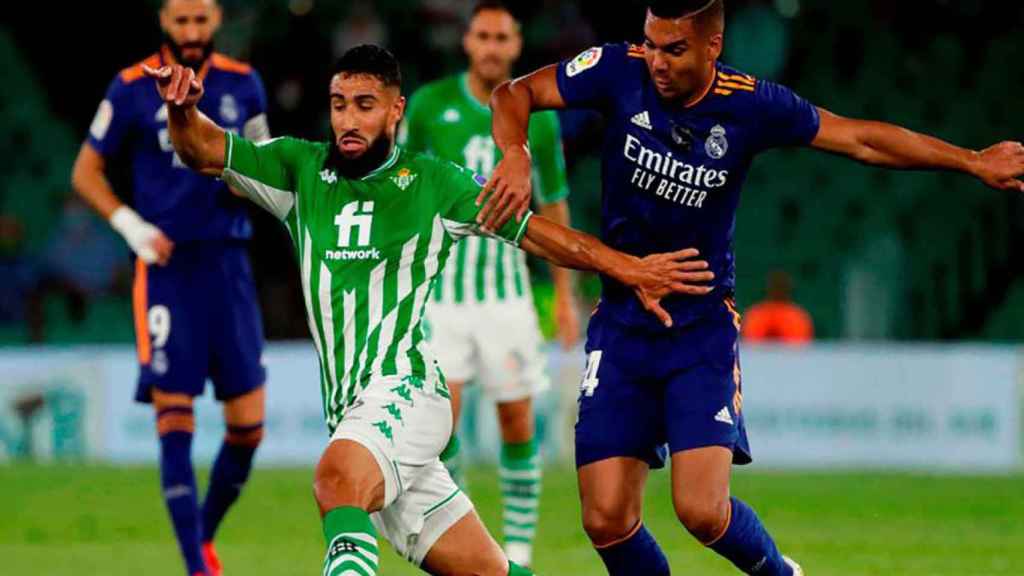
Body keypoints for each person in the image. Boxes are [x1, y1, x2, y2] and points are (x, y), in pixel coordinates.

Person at [482, 1, 1024, 574]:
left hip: (699, 327)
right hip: (621, 320)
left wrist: (971, 162)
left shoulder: (752, 105)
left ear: (711, 47)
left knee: (700, 511)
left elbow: (861, 139)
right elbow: (512, 94)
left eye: (674, 49)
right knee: (605, 518)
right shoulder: (618, 68)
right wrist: (515, 154)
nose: (656, 62)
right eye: (650, 43)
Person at [146, 43, 714, 576]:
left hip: (407, 390)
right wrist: (179, 110)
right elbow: (203, 149)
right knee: (486, 569)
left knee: (336, 481)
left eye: (365, 106)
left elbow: (540, 236)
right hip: (352, 409)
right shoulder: (299, 170)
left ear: (395, 111)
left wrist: (630, 268)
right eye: (340, 105)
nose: (348, 120)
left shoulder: (433, 184)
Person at [70, 1, 271, 574]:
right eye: (180, 21)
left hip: (228, 263)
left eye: (200, 20)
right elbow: (86, 171)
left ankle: (200, 536)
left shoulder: (242, 82)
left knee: (249, 429)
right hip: (168, 268)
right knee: (175, 420)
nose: (191, 32)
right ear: (162, 20)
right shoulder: (132, 86)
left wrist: (248, 183)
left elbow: (263, 160)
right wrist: (133, 227)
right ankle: (196, 565)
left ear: (216, 19)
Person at [400, 1, 576, 565]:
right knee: (442, 427)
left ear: (517, 44)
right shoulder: (430, 106)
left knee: (516, 420)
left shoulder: (540, 116)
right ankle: (471, 550)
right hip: (441, 296)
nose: (493, 46)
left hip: (508, 297)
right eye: (484, 36)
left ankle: (518, 554)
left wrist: (567, 295)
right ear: (468, 42)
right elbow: (401, 187)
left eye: (503, 36)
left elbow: (553, 204)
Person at [742, 271, 813, 344]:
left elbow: (799, 349)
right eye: (776, 286)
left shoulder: (799, 318)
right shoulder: (755, 316)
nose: (778, 289)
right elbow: (751, 347)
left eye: (781, 286)